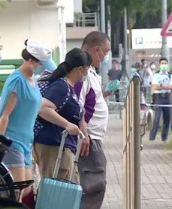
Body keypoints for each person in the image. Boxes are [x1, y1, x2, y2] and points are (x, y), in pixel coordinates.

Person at [0, 39, 52, 203]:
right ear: (31, 60)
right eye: (39, 63)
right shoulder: (17, 80)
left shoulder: (32, 81)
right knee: (17, 190)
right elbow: (5, 114)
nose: (40, 66)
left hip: (26, 142)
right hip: (12, 142)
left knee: (24, 189)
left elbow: (34, 103)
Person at [33, 48, 91, 183]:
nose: (87, 73)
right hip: (54, 147)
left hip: (60, 147)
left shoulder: (68, 87)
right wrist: (67, 124)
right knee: (57, 194)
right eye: (87, 69)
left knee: (67, 193)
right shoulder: (62, 87)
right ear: (80, 69)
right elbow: (43, 108)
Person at [74, 31, 111, 209]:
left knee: (94, 185)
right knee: (94, 186)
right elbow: (76, 105)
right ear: (97, 50)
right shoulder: (83, 73)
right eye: (106, 52)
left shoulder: (91, 73)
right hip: (89, 139)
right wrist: (85, 134)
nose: (106, 57)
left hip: (93, 138)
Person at [149, 58, 172, 142]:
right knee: (157, 117)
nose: (164, 65)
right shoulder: (156, 75)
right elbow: (155, 87)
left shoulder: (171, 75)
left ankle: (164, 137)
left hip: (167, 97)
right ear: (159, 65)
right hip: (158, 97)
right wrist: (166, 85)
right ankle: (152, 136)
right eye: (162, 64)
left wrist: (161, 85)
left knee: (167, 118)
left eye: (165, 63)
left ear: (167, 65)